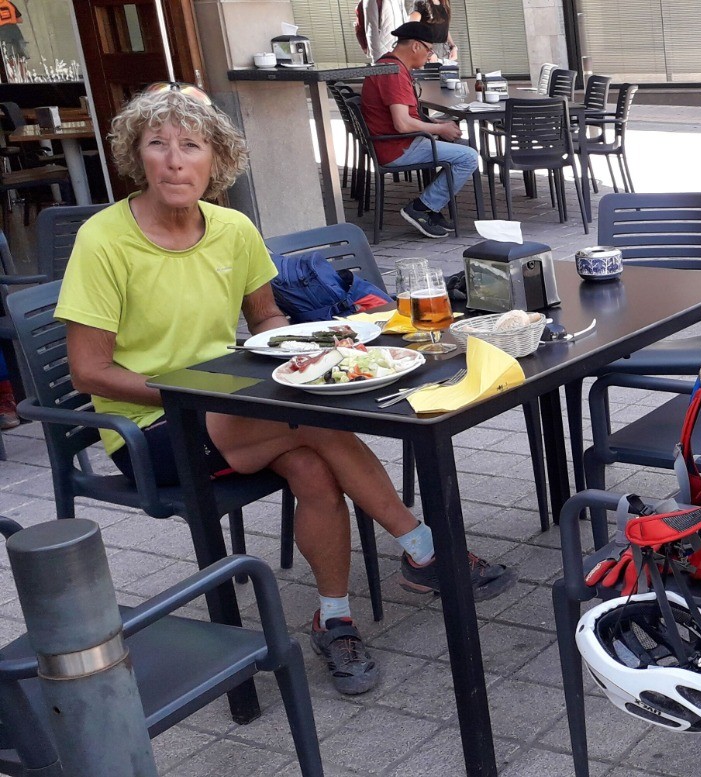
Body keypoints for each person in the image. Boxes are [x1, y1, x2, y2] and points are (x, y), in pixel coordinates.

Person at [55, 84, 516, 697]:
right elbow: (88, 372)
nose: (174, 161)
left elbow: (266, 318)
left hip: (235, 406)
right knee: (313, 416)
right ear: (135, 157)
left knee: (311, 466)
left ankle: (335, 619)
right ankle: (424, 550)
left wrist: (300, 349)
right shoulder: (105, 239)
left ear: (216, 160)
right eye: (157, 144)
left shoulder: (232, 228)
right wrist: (197, 396)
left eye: (190, 146)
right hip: (151, 429)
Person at [361, 21, 478, 238]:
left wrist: (435, 124)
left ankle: (431, 208)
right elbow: (402, 124)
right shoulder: (393, 72)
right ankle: (421, 208)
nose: (430, 55)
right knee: (469, 157)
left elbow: (406, 118)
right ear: (416, 46)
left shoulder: (388, 64)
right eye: (429, 50)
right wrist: (440, 129)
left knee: (464, 146)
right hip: (398, 148)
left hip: (394, 142)